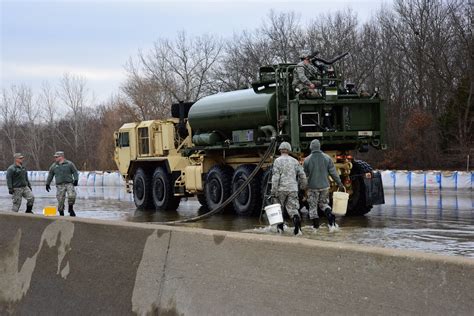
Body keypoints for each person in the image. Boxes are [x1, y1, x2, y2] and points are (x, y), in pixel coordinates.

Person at [303, 139, 345, 231]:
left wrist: (302, 187)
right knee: (324, 204)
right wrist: (340, 183)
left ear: (311, 147)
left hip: (312, 187)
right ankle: (330, 216)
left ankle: (316, 227)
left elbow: (304, 176)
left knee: (313, 207)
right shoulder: (327, 158)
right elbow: (333, 173)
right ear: (319, 147)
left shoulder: (307, 160)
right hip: (325, 186)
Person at [270, 142, 307, 235]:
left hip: (280, 189)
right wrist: (303, 187)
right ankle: (297, 228)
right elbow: (302, 175)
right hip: (293, 189)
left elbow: (275, 177)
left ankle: (280, 230)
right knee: (293, 210)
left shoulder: (277, 161)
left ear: (280, 150)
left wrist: (273, 191)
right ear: (289, 150)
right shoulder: (295, 161)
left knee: (279, 210)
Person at [46, 151, 79, 216]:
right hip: (60, 185)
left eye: (56, 157)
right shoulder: (54, 166)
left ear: (61, 157)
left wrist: (76, 179)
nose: (55, 158)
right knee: (60, 200)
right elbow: (50, 175)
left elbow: (75, 172)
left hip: (69, 183)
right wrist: (47, 184)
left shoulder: (69, 164)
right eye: (55, 157)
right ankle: (61, 213)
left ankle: (70, 208)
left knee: (72, 196)